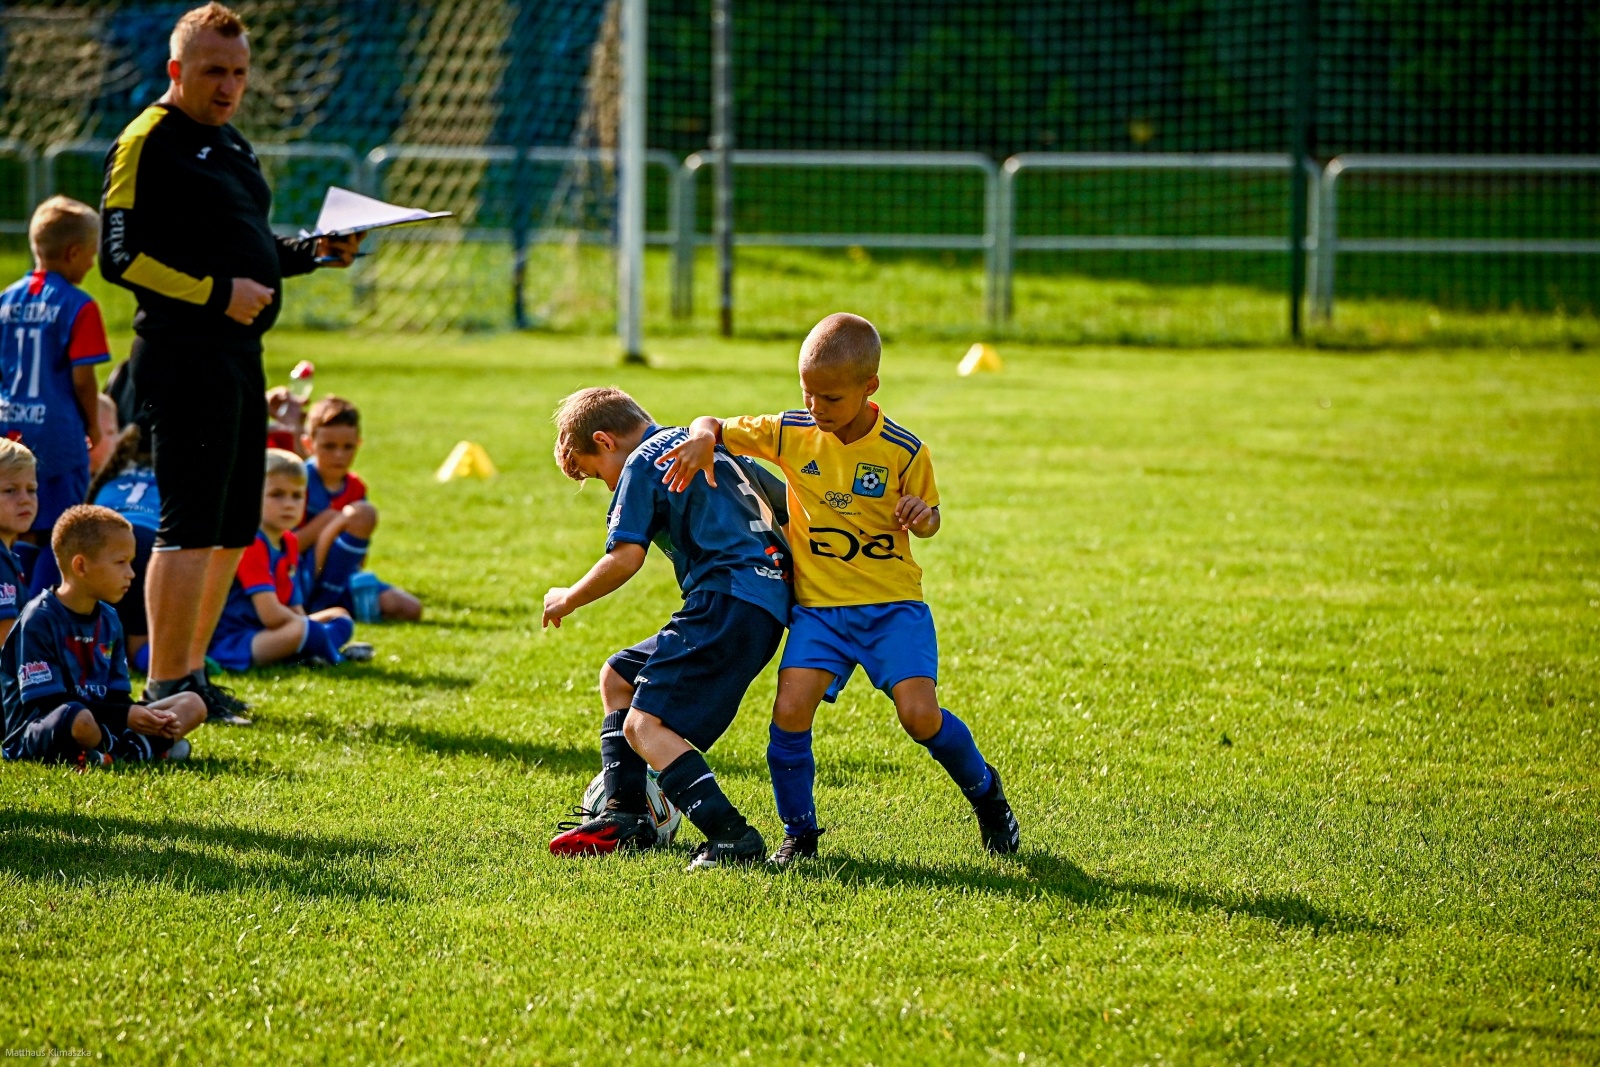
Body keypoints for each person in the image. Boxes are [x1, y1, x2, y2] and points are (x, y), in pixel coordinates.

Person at [662, 312, 1021, 866]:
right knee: (789, 711)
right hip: (821, 611)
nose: (815, 408)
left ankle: (986, 796)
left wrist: (920, 515)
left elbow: (932, 520)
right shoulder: (792, 431)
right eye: (807, 394)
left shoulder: (903, 451)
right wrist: (701, 439)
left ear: (869, 388)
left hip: (891, 607)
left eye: (829, 398)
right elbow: (710, 421)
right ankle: (799, 834)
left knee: (919, 716)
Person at [96, 2, 361, 723]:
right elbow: (117, 256)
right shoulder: (148, 138)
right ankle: (161, 683)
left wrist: (314, 250)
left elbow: (252, 249)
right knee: (188, 524)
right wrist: (217, 294)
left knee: (231, 527)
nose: (228, 86)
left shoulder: (234, 143)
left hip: (242, 355)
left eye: (240, 72)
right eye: (214, 71)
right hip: (183, 355)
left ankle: (191, 673)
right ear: (177, 70)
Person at [542, 388, 792, 870]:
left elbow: (626, 557)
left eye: (597, 474)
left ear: (605, 441)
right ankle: (625, 813)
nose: (608, 485)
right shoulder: (707, 445)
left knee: (644, 725)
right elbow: (787, 507)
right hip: (761, 602)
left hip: (725, 601)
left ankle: (731, 836)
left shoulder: (637, 464)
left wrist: (568, 597)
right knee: (618, 676)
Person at [1, 505, 205, 767]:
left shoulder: (109, 618)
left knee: (192, 703)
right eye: (121, 562)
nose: (131, 573)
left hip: (104, 723)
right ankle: (137, 749)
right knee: (79, 719)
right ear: (81, 566)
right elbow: (48, 702)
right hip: (42, 728)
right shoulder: (38, 619)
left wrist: (142, 716)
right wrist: (125, 716)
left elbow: (116, 697)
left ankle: (114, 752)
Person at [0, 196, 113, 599]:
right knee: (60, 527)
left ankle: (9, 606)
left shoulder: (6, 300)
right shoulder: (79, 306)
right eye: (92, 255)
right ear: (74, 252)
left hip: (9, 429)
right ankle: (40, 616)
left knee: (15, 520)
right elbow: (84, 379)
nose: (92, 264)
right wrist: (94, 426)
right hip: (58, 433)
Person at [208, 449, 371, 676]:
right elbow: (271, 615)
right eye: (277, 494)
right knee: (300, 630)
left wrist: (307, 627)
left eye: (297, 496)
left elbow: (294, 606)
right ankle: (333, 656)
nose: (289, 504)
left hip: (274, 630)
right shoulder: (251, 542)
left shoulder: (289, 541)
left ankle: (309, 650)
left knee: (339, 616)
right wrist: (307, 629)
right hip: (237, 641)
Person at [295, 396, 421, 621]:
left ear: (359, 444)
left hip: (340, 577)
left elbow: (359, 558)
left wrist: (337, 526)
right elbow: (285, 547)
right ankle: (317, 608)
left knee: (409, 608)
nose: (339, 455)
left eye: (348, 447)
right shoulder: (298, 482)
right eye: (329, 446)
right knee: (360, 513)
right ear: (308, 444)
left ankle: (336, 606)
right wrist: (329, 522)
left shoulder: (355, 488)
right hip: (297, 578)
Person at [87, 422, 159, 672]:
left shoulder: (111, 474)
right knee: (138, 641)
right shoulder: (174, 476)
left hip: (98, 544)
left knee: (95, 627)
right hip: (146, 546)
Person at [0, 440, 39, 646]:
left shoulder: (8, 554)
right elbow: (5, 636)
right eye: (10, 490)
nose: (25, 499)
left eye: (31, 489)